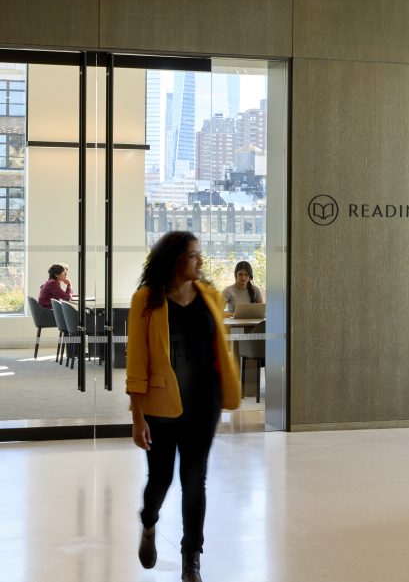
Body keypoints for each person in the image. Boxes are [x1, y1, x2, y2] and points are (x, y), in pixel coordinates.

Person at [126, 231, 241, 582]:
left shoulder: (209, 296)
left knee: (195, 480)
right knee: (160, 479)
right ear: (175, 259)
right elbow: (137, 362)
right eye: (194, 256)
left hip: (204, 404)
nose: (200, 261)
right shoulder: (146, 300)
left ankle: (191, 558)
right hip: (161, 406)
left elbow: (217, 349)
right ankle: (149, 523)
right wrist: (137, 416)